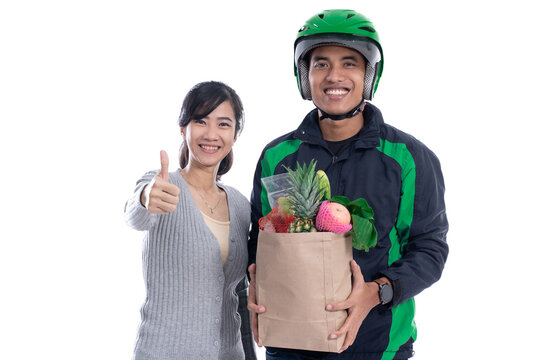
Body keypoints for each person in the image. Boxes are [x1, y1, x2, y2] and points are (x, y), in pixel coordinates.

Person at [247, 9, 449, 360]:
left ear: (370, 75)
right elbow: (259, 242)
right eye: (320, 64)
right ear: (304, 76)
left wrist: (377, 292)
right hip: (291, 346)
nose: (334, 76)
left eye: (350, 63)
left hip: (379, 347)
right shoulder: (277, 155)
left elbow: (430, 250)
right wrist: (255, 286)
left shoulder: (408, 158)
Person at [124, 81, 256, 360]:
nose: (211, 134)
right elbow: (135, 214)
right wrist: (146, 197)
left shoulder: (241, 205)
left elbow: (239, 293)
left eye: (223, 124)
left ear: (235, 134)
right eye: (200, 121)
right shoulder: (162, 185)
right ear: (183, 129)